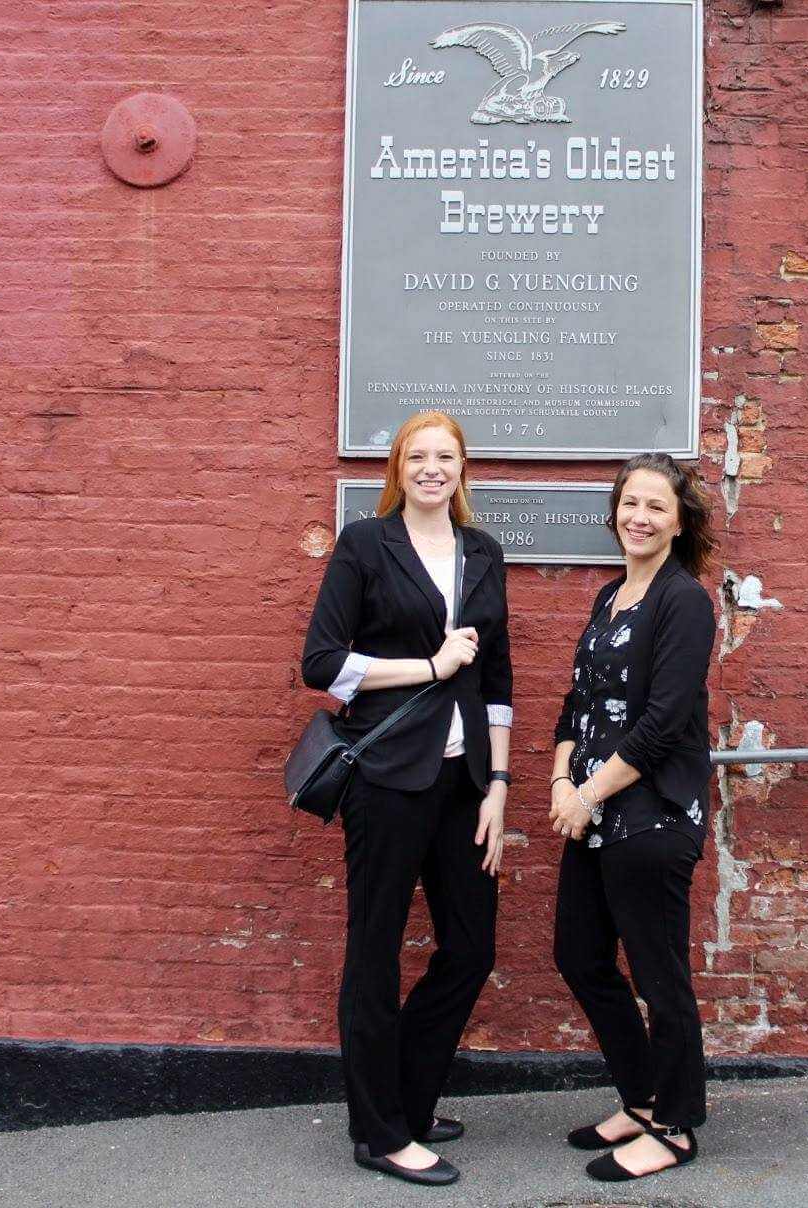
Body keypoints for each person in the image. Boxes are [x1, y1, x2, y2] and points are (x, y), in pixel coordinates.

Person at [300, 411, 512, 1188]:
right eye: (417, 456)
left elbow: (496, 682)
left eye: (445, 456)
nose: (432, 468)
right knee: (375, 952)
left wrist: (497, 784)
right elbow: (320, 664)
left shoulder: (483, 554)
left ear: (462, 468)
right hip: (386, 778)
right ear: (397, 468)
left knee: (471, 947)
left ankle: (407, 1097)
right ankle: (381, 1133)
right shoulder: (365, 544)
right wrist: (426, 665)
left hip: (461, 786)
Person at [548, 453, 719, 1183]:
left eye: (656, 506)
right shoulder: (610, 596)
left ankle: (675, 1126)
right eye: (630, 504)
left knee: (659, 975)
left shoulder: (684, 602)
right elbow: (576, 704)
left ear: (680, 522)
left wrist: (587, 793)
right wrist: (561, 778)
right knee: (579, 955)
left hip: (649, 817)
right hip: (593, 817)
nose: (639, 517)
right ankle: (642, 1094)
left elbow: (661, 724)